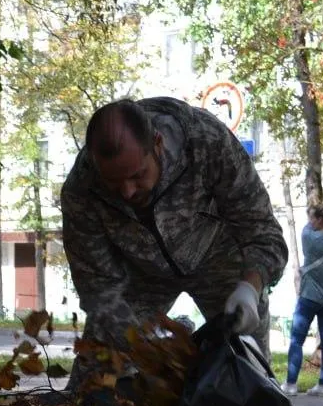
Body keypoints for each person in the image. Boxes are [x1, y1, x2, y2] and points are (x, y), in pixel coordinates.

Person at [60, 98, 288, 384]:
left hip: (219, 257)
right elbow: (98, 285)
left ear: (157, 143)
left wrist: (251, 287)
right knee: (96, 378)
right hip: (141, 275)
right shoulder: (81, 191)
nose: (128, 192)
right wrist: (141, 348)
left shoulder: (205, 141)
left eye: (137, 175)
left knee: (250, 376)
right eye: (114, 183)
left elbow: (261, 230)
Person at [280, 203, 323, 396]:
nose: (310, 221)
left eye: (312, 218)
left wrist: (316, 215)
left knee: (297, 340)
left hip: (309, 296)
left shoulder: (309, 237)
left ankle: (291, 384)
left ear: (318, 219)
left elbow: (307, 227)